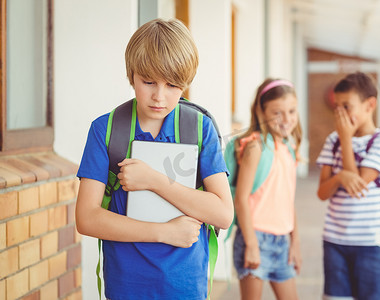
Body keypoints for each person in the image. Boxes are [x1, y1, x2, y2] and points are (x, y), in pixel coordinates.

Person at [75, 18, 234, 300]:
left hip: (185, 284)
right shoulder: (106, 130)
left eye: (173, 85)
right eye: (148, 82)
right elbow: (86, 219)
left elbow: (223, 213)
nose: (159, 96)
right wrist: (163, 233)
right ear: (131, 75)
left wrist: (155, 181)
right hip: (127, 285)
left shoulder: (199, 128)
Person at [316, 72, 380, 300]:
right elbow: (322, 192)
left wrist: (346, 140)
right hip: (335, 241)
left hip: (371, 243)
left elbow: (357, 186)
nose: (340, 113)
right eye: (337, 106)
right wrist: (340, 176)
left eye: (347, 106)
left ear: (370, 104)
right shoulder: (333, 141)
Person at [230, 78, 303, 300]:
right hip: (255, 238)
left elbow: (288, 200)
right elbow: (241, 199)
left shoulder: (289, 148)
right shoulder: (256, 146)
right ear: (261, 112)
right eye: (277, 113)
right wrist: (251, 244)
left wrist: (295, 241)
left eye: (291, 111)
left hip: (282, 241)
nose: (286, 119)